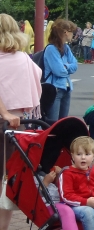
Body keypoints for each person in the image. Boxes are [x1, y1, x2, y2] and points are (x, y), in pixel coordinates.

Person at [0, 14, 42, 230]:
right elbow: (37, 81)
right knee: (7, 179)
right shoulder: (24, 58)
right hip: (20, 123)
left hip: (4, 119)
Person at [35, 166, 94, 230]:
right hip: (55, 204)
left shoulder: (91, 171)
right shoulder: (35, 178)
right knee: (84, 211)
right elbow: (37, 197)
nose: (83, 158)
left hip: (72, 200)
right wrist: (45, 182)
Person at [44, 19, 79, 124]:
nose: (73, 34)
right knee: (53, 123)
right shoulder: (51, 49)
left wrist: (65, 66)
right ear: (65, 32)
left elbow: (75, 65)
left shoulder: (66, 47)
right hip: (54, 90)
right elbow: (58, 71)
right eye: (72, 32)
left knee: (63, 123)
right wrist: (68, 67)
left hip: (66, 88)